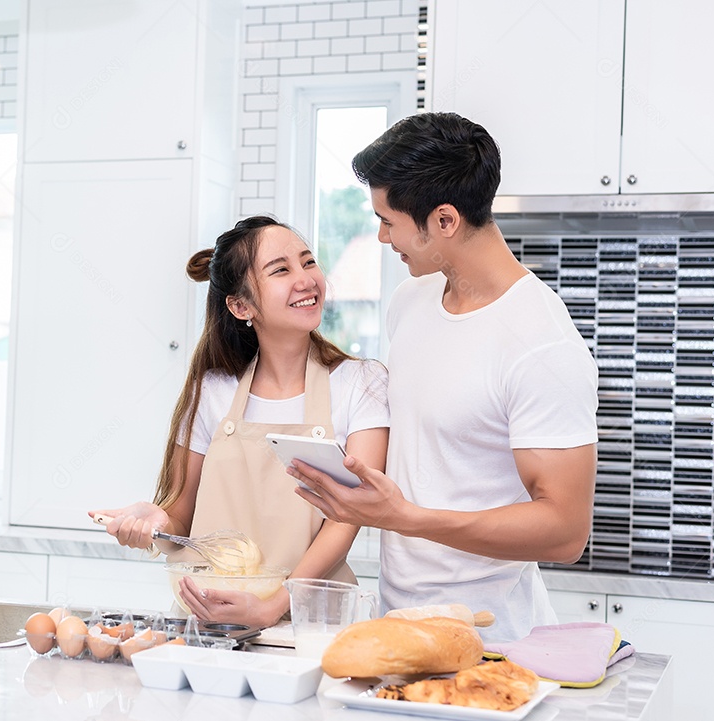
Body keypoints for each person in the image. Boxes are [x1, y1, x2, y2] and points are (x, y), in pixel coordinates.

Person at [288, 112, 598, 642]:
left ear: (445, 220)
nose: (382, 236)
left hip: (492, 639)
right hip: (398, 621)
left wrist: (405, 517)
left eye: (388, 220)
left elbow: (566, 533)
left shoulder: (542, 343)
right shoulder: (412, 300)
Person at [89, 216, 389, 628]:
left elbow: (348, 517)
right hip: (213, 624)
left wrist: (273, 606)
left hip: (313, 624)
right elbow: (180, 513)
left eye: (308, 262)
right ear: (240, 305)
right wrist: (156, 520)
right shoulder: (212, 390)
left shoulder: (361, 383)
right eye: (281, 269)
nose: (306, 279)